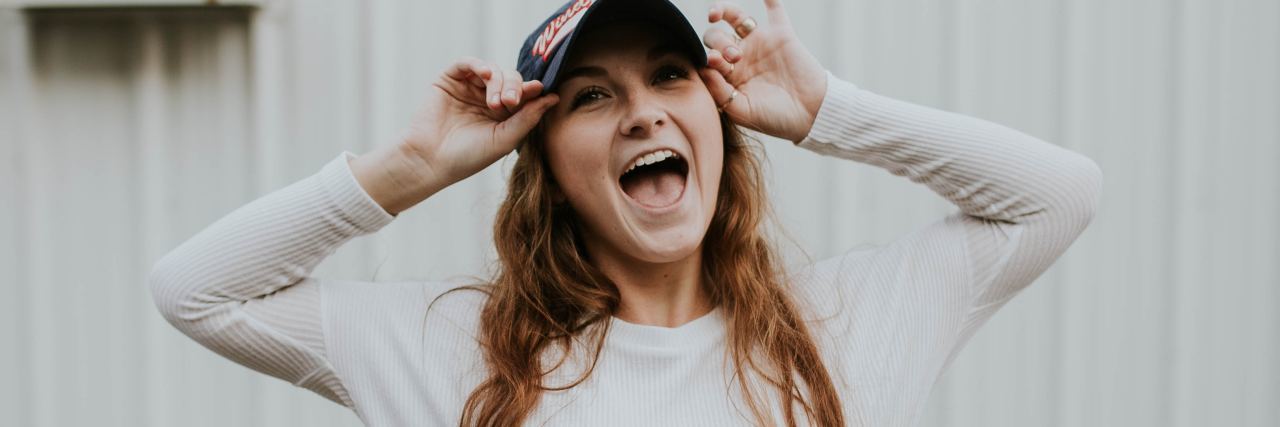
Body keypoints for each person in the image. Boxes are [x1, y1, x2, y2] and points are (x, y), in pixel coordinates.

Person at [149, 0, 1102, 425]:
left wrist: (828, 114)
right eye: (594, 96)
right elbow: (197, 292)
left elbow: (1059, 196)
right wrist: (408, 168)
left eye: (670, 74)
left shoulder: (846, 329)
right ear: (548, 167)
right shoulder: (453, 351)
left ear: (716, 114)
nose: (644, 108)